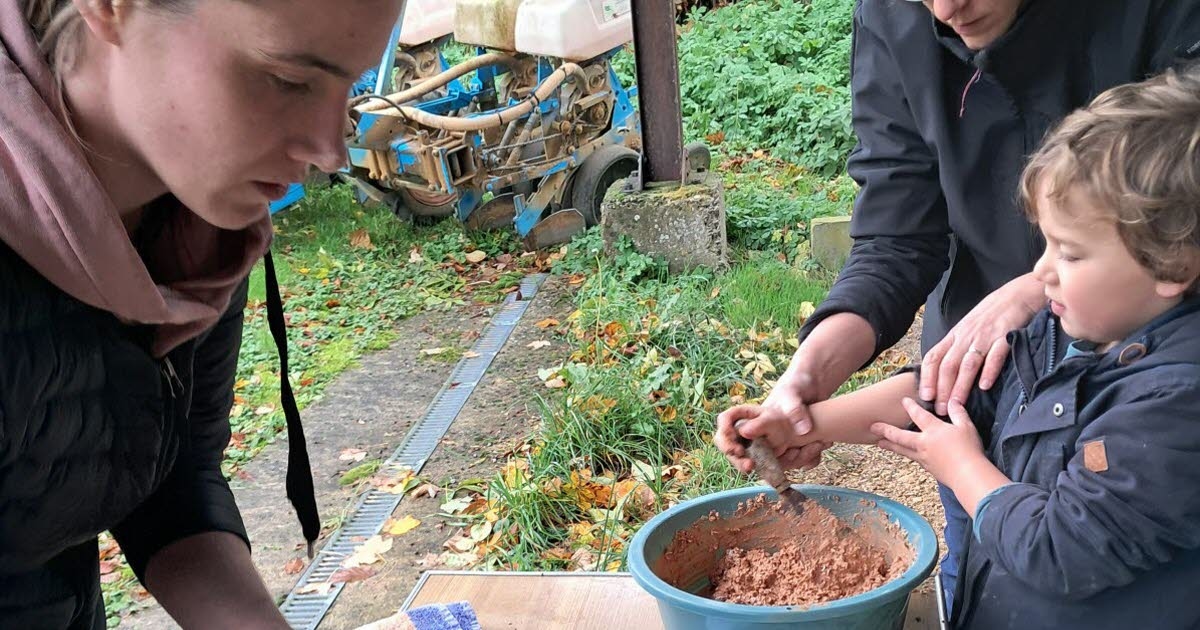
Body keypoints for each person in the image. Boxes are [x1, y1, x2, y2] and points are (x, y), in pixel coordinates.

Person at [717, 0, 1200, 603]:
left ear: (1174, 262)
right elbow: (948, 394)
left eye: (1068, 252)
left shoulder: (1173, 402)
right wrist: (804, 414)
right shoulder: (1053, 329)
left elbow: (1058, 550)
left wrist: (964, 468)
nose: (946, 9)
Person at [0, 0, 401, 627]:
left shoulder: (199, 233)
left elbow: (170, 476)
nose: (330, 151)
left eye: (346, 87)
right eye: (288, 79)